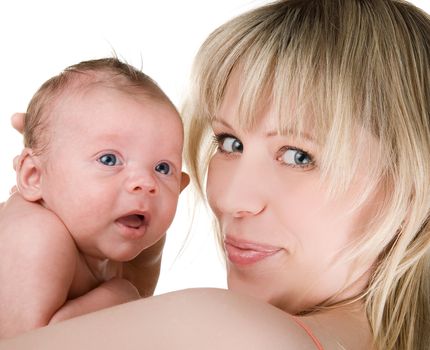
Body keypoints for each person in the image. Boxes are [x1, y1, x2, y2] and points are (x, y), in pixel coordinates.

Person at [2, 0, 430, 349]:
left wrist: (34, 217)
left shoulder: (223, 328)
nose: (229, 199)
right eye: (230, 144)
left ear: (414, 180)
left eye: (299, 155)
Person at [0, 58, 189, 338]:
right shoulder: (36, 235)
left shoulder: (113, 239)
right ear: (33, 176)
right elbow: (25, 344)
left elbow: (137, 301)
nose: (147, 184)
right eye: (110, 159)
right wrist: (119, 295)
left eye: (162, 168)